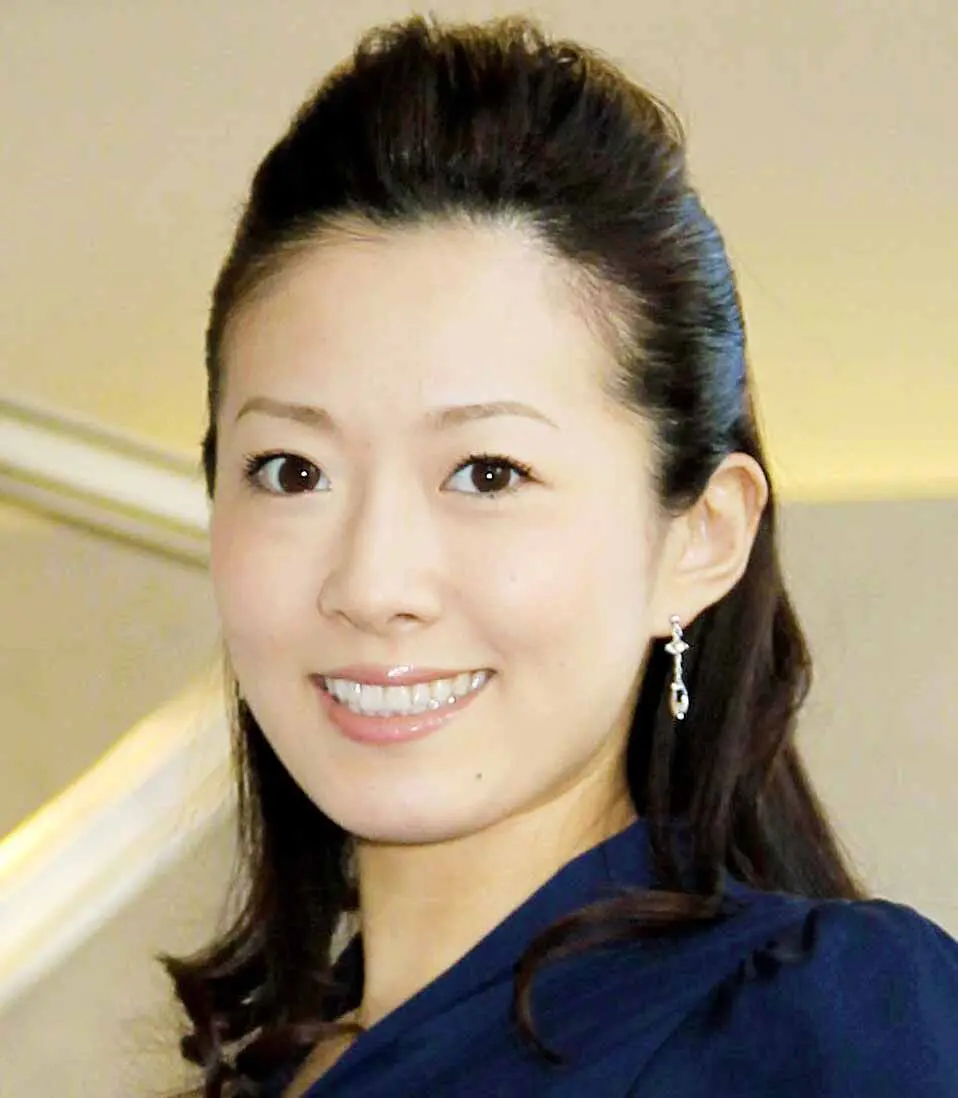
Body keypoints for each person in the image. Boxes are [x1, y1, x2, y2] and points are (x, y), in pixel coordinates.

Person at [161, 14, 958, 1098]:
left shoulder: (811, 1024)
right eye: (292, 471)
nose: (372, 584)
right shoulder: (266, 1070)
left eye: (488, 473)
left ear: (700, 537)